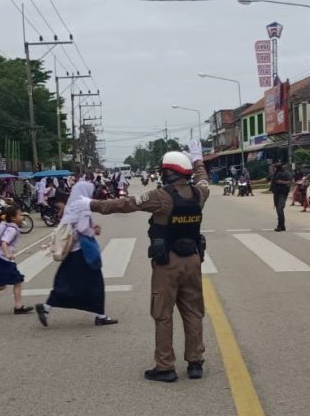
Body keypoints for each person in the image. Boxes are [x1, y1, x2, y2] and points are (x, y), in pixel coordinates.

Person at [89, 141, 209, 383]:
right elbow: (203, 179)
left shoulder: (160, 196)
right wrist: (198, 160)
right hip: (193, 260)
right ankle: (195, 362)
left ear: (168, 172)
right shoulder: (200, 193)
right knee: (193, 312)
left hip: (168, 263)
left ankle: (165, 366)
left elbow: (126, 204)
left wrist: (90, 205)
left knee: (163, 314)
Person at [35, 180, 119, 328]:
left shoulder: (71, 206)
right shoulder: (83, 206)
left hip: (71, 252)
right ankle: (100, 316)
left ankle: (46, 308)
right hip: (83, 253)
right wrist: (94, 230)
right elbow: (82, 228)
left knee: (65, 282)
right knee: (96, 283)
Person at [270, 161, 293, 232]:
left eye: (276, 165)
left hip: (283, 193)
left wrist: (281, 182)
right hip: (276, 193)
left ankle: (280, 225)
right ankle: (282, 226)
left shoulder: (286, 172)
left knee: (280, 208)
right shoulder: (275, 174)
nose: (274, 167)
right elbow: (267, 179)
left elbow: (291, 181)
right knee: (278, 209)